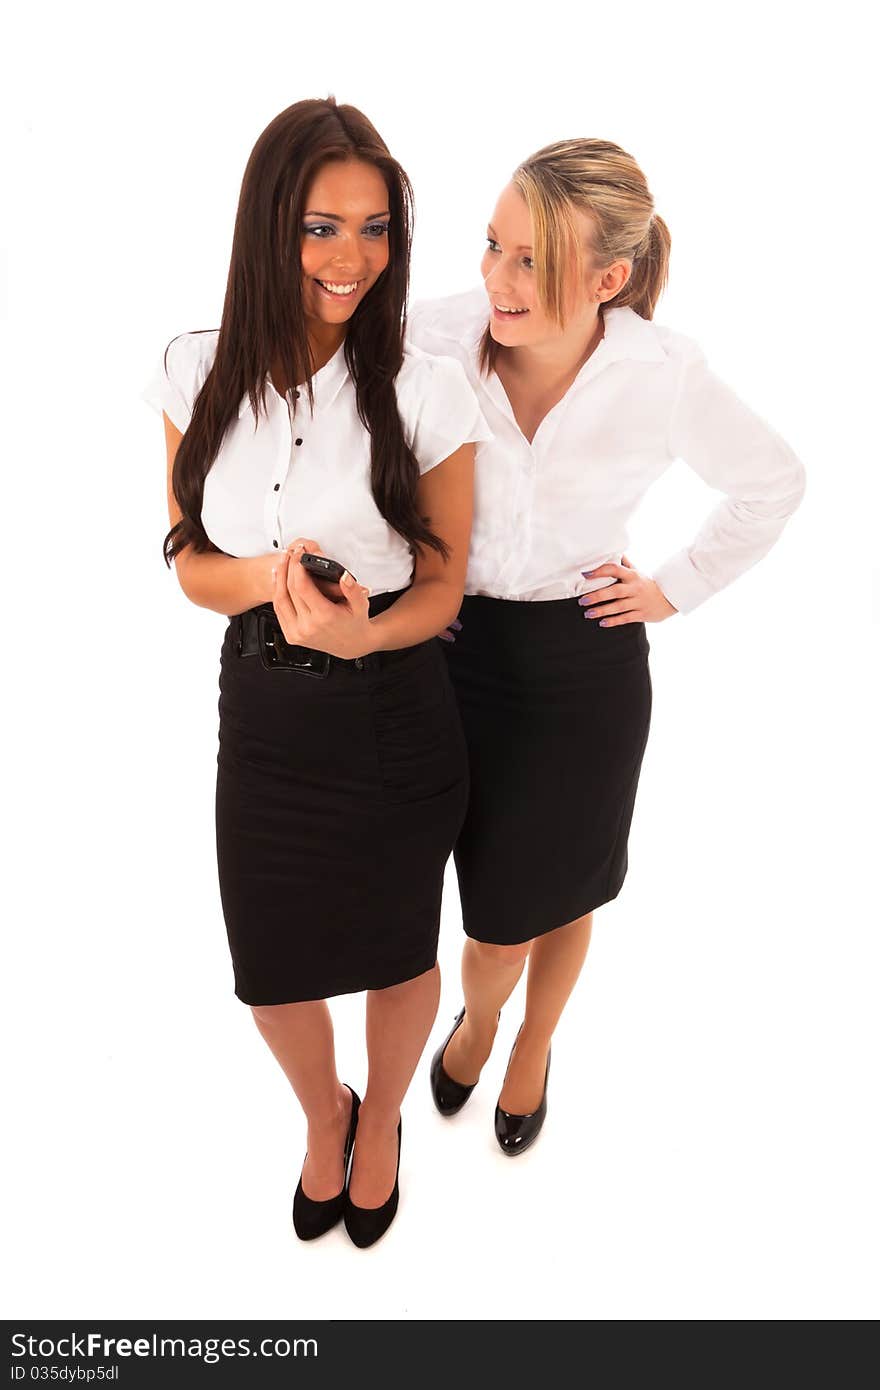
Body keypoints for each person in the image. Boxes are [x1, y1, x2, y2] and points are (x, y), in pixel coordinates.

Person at [407, 138, 806, 1156]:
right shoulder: (434, 337)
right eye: (491, 246)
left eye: (529, 259)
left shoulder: (661, 374)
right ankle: (486, 1015)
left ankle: (523, 1039)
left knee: (560, 883)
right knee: (489, 909)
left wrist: (671, 589)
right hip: (443, 642)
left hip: (577, 663)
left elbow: (772, 481)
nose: (496, 278)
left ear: (607, 279)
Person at [141, 97, 490, 1245]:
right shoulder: (193, 373)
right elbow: (191, 562)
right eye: (321, 228)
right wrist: (271, 576)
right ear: (268, 226)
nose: (353, 259)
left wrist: (363, 634)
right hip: (267, 712)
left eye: (375, 228)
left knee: (398, 951)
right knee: (273, 972)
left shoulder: (428, 387)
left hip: (397, 707)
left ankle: (381, 1117)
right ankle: (321, 1109)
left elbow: (439, 588)